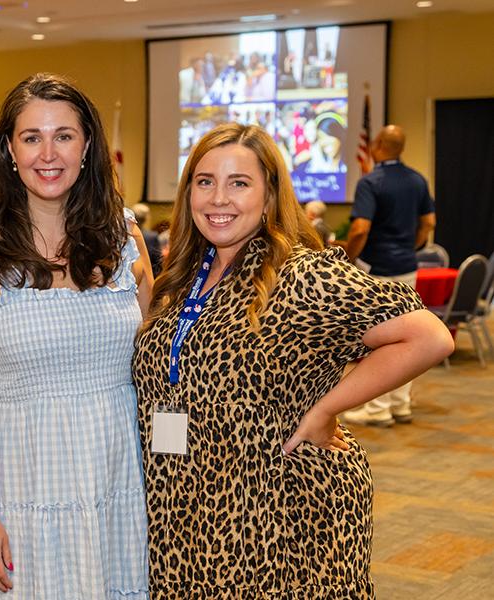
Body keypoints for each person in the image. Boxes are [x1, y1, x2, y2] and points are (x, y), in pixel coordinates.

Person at [132, 123, 453, 598]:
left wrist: (325, 409)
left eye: (238, 183)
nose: (218, 198)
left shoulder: (300, 273)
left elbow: (428, 337)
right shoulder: (183, 275)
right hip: (186, 502)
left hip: (276, 510)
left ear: (268, 196)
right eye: (205, 182)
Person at [0, 72, 153, 599]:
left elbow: (150, 366)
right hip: (23, 480)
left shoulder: (124, 239)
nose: (47, 153)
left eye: (64, 135)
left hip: (119, 477)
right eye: (31, 137)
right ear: (9, 149)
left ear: (88, 145)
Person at [343, 124, 437, 427]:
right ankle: (400, 404)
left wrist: (350, 258)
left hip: (377, 271)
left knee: (379, 340)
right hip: (408, 268)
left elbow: (360, 229)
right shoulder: (417, 180)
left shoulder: (371, 182)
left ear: (379, 144)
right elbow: (429, 222)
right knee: (407, 336)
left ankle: (377, 409)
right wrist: (411, 246)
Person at [131, 202, 163, 276]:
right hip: (149, 275)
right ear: (146, 218)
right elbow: (157, 261)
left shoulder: (126, 235)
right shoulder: (151, 236)